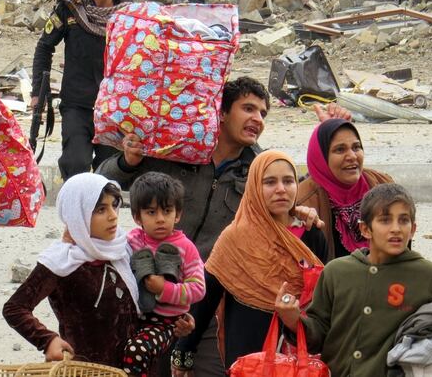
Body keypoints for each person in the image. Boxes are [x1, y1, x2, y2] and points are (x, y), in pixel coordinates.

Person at [98, 77, 349, 377]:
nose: (257, 119)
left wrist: (301, 206)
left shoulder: (257, 168)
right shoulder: (177, 148)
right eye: (248, 109)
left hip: (206, 297)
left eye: (263, 113)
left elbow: (283, 197)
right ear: (221, 112)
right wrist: (127, 161)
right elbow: (103, 185)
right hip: (148, 293)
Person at [274, 183, 432, 377]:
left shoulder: (427, 275)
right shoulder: (337, 273)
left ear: (413, 229)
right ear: (365, 229)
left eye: (403, 220)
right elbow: (318, 334)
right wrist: (293, 320)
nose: (396, 228)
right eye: (385, 220)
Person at [2, 173, 194, 372]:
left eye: (114, 205)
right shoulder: (62, 261)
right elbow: (14, 308)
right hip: (87, 371)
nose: (113, 215)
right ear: (78, 214)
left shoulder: (123, 249)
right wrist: (47, 340)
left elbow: (145, 301)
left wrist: (179, 319)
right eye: (101, 209)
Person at [172, 150, 327, 375]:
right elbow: (206, 299)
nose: (281, 189)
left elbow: (322, 300)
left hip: (297, 348)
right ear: (254, 186)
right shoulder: (236, 238)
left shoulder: (312, 234)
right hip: (247, 346)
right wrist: (183, 353)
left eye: (288, 180)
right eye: (269, 182)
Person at [31, 0, 128, 179]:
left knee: (108, 171)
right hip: (77, 105)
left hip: (113, 108)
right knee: (76, 164)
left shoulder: (128, 16)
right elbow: (44, 48)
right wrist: (38, 93)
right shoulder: (70, 9)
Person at [124, 172, 205, 377]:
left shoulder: (186, 248)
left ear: (177, 214)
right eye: (151, 212)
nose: (160, 219)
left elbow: (198, 288)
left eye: (167, 211)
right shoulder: (131, 240)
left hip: (168, 323)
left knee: (138, 351)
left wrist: (164, 289)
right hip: (136, 317)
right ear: (136, 217)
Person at [297, 118, 393, 263]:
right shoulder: (303, 201)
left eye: (356, 147)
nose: (352, 156)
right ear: (321, 156)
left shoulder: (382, 185)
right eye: (340, 149)